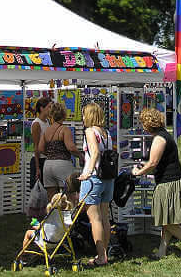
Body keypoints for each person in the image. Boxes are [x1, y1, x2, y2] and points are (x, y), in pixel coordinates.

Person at [132, 108, 181, 258]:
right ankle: (162, 251)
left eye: (143, 122)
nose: (142, 126)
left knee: (167, 220)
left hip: (170, 183)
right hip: (170, 180)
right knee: (165, 218)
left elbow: (153, 163)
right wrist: (145, 165)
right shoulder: (163, 135)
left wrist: (138, 172)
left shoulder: (160, 138)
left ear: (148, 123)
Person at [78, 102, 114, 267]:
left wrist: (87, 172)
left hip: (93, 178)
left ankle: (101, 256)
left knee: (95, 219)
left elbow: (95, 152)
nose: (83, 117)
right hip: (108, 178)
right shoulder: (106, 133)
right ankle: (104, 252)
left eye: (84, 114)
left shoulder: (90, 131)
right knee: (105, 217)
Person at [39, 102, 85, 201]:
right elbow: (71, 148)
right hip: (62, 164)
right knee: (70, 195)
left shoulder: (47, 130)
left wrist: (51, 154)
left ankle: (54, 216)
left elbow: (40, 148)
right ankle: (68, 216)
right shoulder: (64, 130)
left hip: (47, 165)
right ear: (64, 115)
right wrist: (81, 156)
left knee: (52, 199)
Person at [30, 97, 52, 190]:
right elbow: (36, 146)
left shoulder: (48, 121)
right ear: (42, 108)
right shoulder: (36, 124)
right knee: (38, 190)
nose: (51, 109)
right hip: (39, 159)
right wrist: (37, 167)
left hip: (47, 159)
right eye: (49, 107)